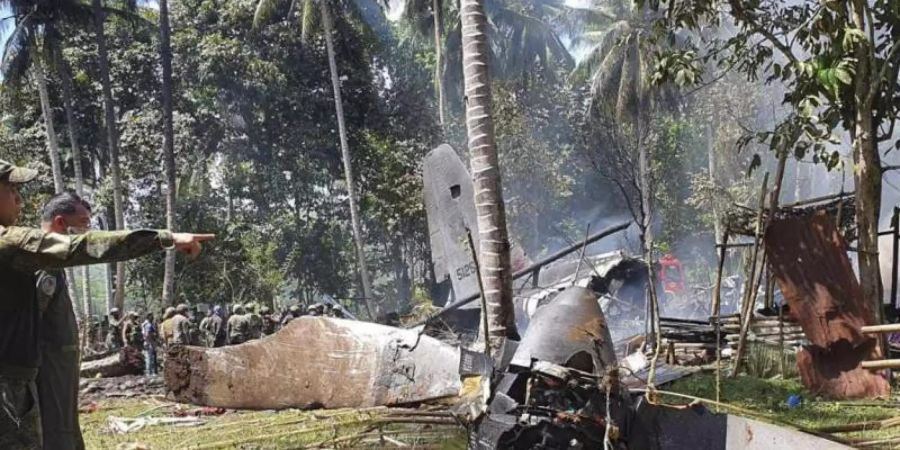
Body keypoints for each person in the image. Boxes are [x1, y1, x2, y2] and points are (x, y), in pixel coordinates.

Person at [0, 160, 215, 449]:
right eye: (11, 189)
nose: (19, 198)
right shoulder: (11, 243)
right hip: (11, 386)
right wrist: (164, 238)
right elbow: (82, 247)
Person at [34, 192, 92, 450]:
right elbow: (32, 321)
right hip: (49, 367)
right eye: (83, 222)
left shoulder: (53, 263)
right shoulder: (43, 264)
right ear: (60, 223)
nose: (88, 230)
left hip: (60, 366)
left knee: (66, 425)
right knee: (57, 429)